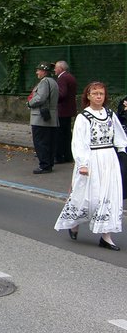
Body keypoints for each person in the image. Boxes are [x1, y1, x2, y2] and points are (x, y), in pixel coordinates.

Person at [54, 82, 127, 251]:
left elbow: (119, 134)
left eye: (101, 93)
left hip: (109, 159)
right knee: (88, 197)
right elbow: (79, 142)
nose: (98, 96)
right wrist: (83, 164)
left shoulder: (109, 114)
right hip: (91, 159)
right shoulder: (84, 117)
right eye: (95, 93)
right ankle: (74, 222)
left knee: (109, 196)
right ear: (88, 96)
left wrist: (122, 151)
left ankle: (106, 236)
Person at [27, 62, 59, 174]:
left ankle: (44, 165)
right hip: (51, 117)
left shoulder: (44, 82)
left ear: (44, 71)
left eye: (38, 70)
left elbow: (40, 98)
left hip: (41, 118)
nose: (37, 72)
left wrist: (30, 103)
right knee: (49, 142)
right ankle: (48, 164)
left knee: (41, 142)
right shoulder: (53, 82)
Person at [54, 60, 77, 164]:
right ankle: (68, 155)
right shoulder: (70, 77)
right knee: (67, 134)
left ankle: (60, 156)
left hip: (62, 110)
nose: (54, 69)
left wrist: (53, 99)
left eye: (55, 67)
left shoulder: (62, 78)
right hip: (69, 109)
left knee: (60, 134)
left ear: (60, 69)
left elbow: (62, 94)